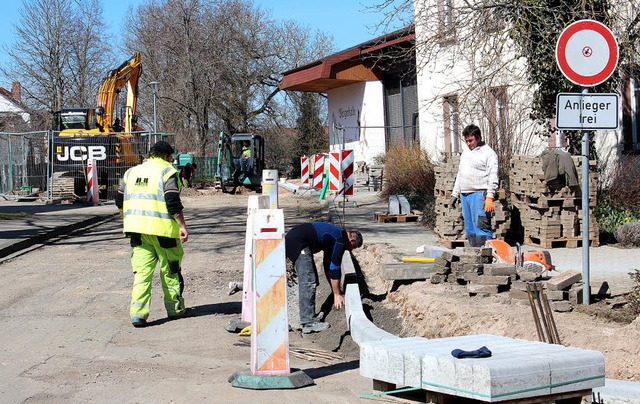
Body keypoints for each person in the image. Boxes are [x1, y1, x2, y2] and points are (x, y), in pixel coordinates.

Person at [115, 141, 188, 327]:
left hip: (137, 231)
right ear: (165, 156)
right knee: (171, 271)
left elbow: (119, 200)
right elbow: (172, 202)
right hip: (163, 232)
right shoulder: (167, 171)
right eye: (171, 157)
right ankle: (175, 309)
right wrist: (182, 226)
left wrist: (129, 218)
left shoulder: (131, 172)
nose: (172, 160)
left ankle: (138, 314)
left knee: (142, 273)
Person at [285, 222, 363, 334]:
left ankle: (310, 317)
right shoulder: (340, 239)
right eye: (352, 247)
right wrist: (337, 294)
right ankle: (308, 322)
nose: (350, 250)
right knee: (308, 281)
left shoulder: (335, 236)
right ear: (352, 240)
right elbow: (335, 267)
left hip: (297, 239)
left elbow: (328, 267)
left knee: (312, 279)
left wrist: (335, 290)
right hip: (298, 242)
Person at [450, 124, 499, 247]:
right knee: (470, 229)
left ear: (478, 138)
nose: (468, 143)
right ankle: (474, 253)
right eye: (466, 141)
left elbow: (493, 176)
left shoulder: (488, 153)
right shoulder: (466, 153)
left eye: (470, 140)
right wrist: (455, 194)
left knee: (481, 227)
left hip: (479, 195)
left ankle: (486, 254)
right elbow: (460, 173)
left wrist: (490, 197)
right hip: (465, 195)